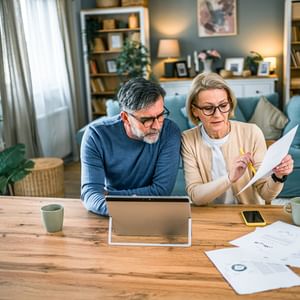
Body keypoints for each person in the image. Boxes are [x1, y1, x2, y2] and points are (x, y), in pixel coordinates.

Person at [181, 72, 294, 205]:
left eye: (223, 105)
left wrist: (279, 176)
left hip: (249, 214)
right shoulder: (188, 139)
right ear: (194, 110)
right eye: (208, 108)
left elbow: (266, 195)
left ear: (230, 103)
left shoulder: (252, 133)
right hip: (210, 215)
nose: (217, 115)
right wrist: (229, 178)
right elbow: (196, 196)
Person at [81, 77, 181, 215]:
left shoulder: (170, 132)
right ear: (125, 118)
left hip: (154, 211)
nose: (157, 126)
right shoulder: (96, 136)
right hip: (111, 216)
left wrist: (110, 195)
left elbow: (161, 191)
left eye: (161, 115)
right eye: (147, 120)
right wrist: (123, 208)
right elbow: (90, 194)